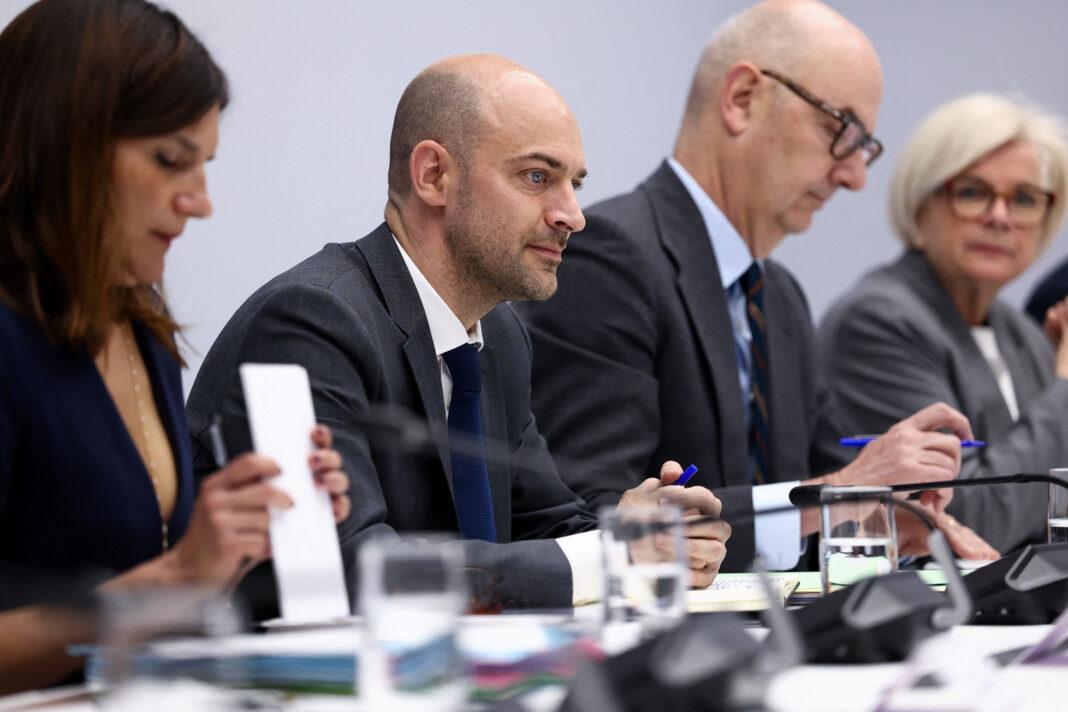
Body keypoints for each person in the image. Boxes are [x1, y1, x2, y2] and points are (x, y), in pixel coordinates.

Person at [186, 54, 731, 611]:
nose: (573, 215)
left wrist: (646, 534)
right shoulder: (313, 322)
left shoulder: (501, 337)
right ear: (433, 176)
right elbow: (346, 567)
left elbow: (547, 527)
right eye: (537, 177)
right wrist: (611, 556)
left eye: (575, 184)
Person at [515, 0, 995, 572]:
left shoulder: (780, 297)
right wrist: (839, 493)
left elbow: (826, 489)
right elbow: (594, 517)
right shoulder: (611, 256)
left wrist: (888, 516)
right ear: (742, 99)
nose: (854, 176)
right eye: (840, 129)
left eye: (864, 147)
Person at [0, 0, 350, 692]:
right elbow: (151, 583)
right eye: (170, 160)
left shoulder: (141, 325)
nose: (201, 200)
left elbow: (150, 573)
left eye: (205, 164)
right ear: (62, 147)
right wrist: (176, 575)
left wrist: (251, 535)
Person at [817, 93, 1068, 554]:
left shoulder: (1024, 335)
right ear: (921, 203)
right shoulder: (877, 322)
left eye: (1024, 199)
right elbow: (964, 520)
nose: (1000, 217)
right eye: (972, 192)